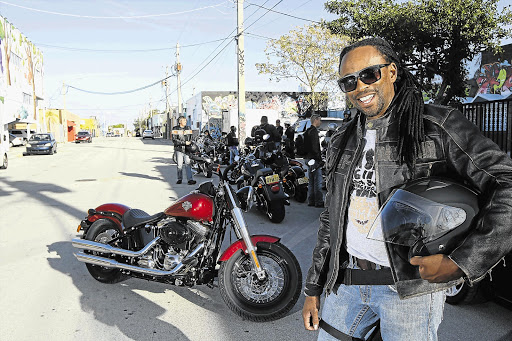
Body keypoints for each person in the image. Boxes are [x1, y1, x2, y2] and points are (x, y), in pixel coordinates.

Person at [302, 37, 512, 341]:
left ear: (392, 72)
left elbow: (505, 182)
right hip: (347, 283)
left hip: (408, 292)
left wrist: (462, 262)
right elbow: (330, 221)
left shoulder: (435, 126)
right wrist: (313, 288)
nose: (359, 87)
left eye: (369, 74)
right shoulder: (341, 139)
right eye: (348, 81)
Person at [303, 114, 323, 208]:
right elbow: (315, 147)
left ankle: (311, 200)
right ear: (315, 120)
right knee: (318, 181)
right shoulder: (314, 131)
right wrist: (319, 159)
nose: (320, 122)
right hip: (314, 159)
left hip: (307, 158)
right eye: (320, 120)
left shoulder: (307, 131)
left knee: (311, 181)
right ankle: (318, 201)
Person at [171, 116, 196, 185]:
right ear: (180, 121)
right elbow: (174, 140)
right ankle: (179, 179)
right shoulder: (175, 129)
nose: (185, 122)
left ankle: (190, 180)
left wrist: (190, 143)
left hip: (187, 149)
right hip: (179, 149)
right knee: (179, 165)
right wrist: (184, 143)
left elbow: (191, 138)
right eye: (184, 120)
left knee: (188, 164)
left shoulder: (188, 128)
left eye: (185, 120)